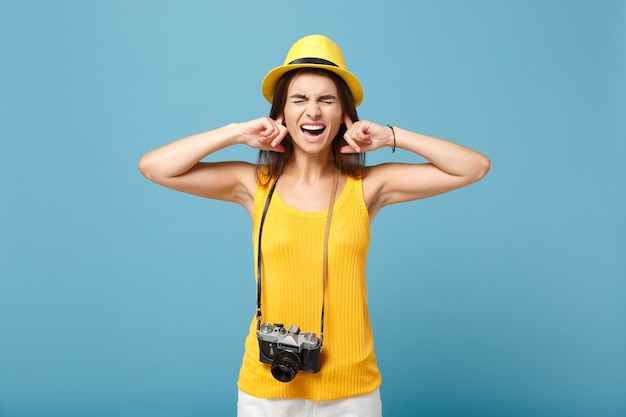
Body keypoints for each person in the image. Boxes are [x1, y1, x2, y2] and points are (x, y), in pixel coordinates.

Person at [138, 34, 490, 417]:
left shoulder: (368, 187)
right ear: (281, 114)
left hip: (352, 390)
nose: (313, 112)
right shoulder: (253, 185)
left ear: (344, 115)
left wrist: (391, 136)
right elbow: (155, 167)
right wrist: (236, 132)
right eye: (299, 99)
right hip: (267, 385)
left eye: (327, 100)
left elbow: (474, 167)